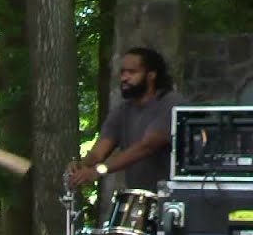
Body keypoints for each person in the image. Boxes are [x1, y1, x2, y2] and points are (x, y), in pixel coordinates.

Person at [68, 47, 183, 192]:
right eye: (123, 72)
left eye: (132, 72)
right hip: (138, 199)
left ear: (151, 75)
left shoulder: (170, 102)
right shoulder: (122, 110)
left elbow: (146, 146)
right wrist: (81, 165)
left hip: (171, 197)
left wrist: (99, 170)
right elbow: (98, 152)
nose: (124, 78)